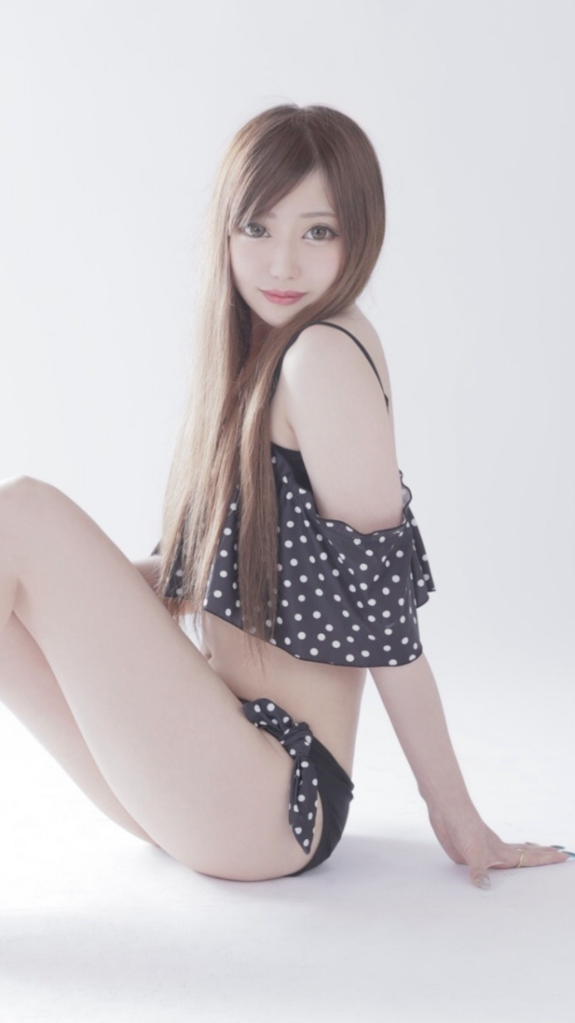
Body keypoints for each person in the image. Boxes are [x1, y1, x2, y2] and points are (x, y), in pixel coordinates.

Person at [0, 104, 570, 888]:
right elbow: (192, 580)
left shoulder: (321, 359)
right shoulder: (258, 361)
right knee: (18, 560)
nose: (281, 263)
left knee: (21, 513)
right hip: (202, 765)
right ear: (225, 233)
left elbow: (386, 624)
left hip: (274, 795)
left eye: (317, 232)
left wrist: (456, 815)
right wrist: (75, 596)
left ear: (359, 234)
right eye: (257, 227)